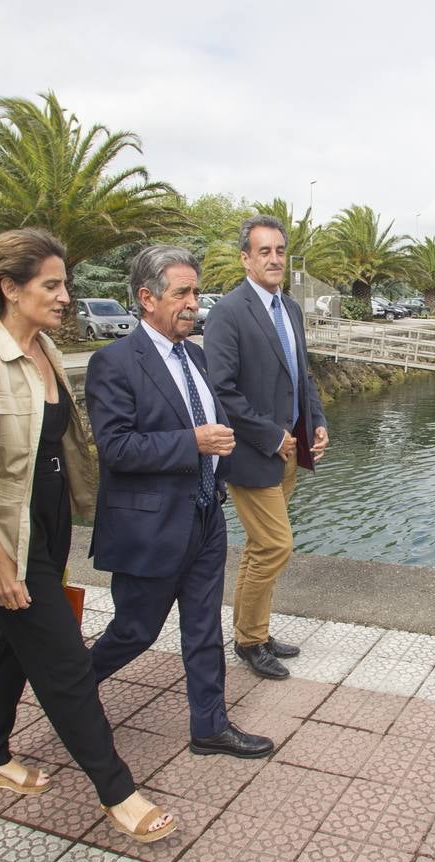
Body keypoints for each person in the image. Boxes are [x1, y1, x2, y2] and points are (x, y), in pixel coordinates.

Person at [0, 228, 174, 841]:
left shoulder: (44, 348)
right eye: (50, 285)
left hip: (48, 529)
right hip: (8, 539)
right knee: (66, 664)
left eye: (65, 284)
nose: (64, 296)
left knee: (5, 643)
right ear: (9, 287)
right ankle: (117, 791)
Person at [86, 245, 272, 759]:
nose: (194, 303)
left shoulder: (198, 356)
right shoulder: (114, 363)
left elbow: (220, 428)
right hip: (150, 528)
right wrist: (192, 442)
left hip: (206, 516)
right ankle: (73, 689)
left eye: (196, 292)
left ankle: (209, 726)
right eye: (182, 293)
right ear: (147, 298)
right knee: (135, 631)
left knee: (203, 627)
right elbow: (117, 448)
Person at [205, 216, 329, 680]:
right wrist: (272, 435)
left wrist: (317, 423)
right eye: (264, 251)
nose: (274, 259)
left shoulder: (290, 309)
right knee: (276, 544)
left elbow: (303, 375)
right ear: (245, 258)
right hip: (253, 452)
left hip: (293, 449)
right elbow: (222, 390)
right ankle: (250, 641)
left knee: (261, 548)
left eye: (280, 250)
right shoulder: (228, 313)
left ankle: (252, 630)